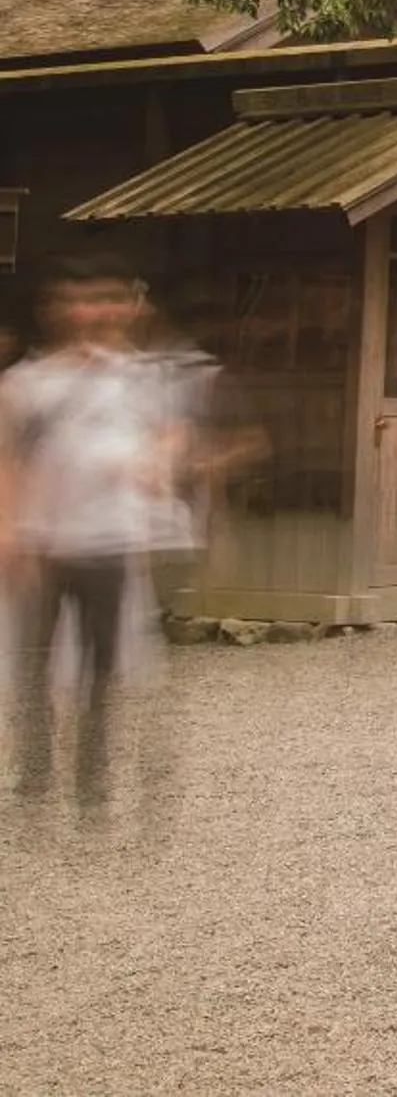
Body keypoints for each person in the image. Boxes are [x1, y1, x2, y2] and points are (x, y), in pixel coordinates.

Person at [2, 256, 190, 816]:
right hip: (44, 540)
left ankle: (92, 775)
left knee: (101, 664)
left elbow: (170, 431)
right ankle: (35, 774)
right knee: (35, 663)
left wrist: (157, 464)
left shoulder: (139, 377)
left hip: (110, 538)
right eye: (77, 300)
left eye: (103, 298)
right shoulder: (27, 383)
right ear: (53, 310)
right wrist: (10, 529)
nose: (89, 311)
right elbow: (9, 459)